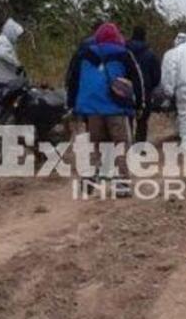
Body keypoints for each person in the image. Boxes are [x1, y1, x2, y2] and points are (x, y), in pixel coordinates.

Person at [69, 23, 140, 198]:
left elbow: (72, 80)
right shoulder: (124, 54)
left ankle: (91, 177)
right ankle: (121, 183)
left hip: (91, 107)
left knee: (96, 144)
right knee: (120, 144)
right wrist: (139, 105)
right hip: (116, 107)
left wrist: (72, 104)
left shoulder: (84, 54)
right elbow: (137, 80)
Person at [127, 26, 161, 142]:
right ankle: (140, 145)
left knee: (128, 119)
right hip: (145, 90)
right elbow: (157, 75)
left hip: (126, 89)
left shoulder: (124, 52)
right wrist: (151, 86)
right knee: (142, 121)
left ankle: (128, 143)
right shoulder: (150, 54)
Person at [0, 18, 26, 99]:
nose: (18, 38)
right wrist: (18, 64)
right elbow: (3, 53)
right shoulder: (4, 42)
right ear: (12, 32)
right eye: (17, 35)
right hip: (2, 81)